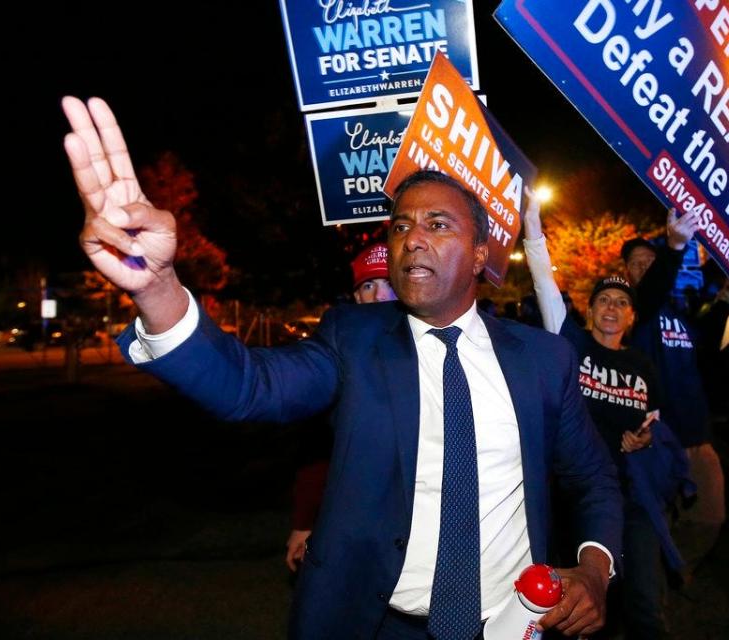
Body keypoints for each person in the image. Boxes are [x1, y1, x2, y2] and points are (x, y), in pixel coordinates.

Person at [61, 96, 623, 640]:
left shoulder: (545, 361)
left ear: (480, 254)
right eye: (401, 226)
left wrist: (595, 570)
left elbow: (592, 478)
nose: (412, 241)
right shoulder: (351, 340)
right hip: (373, 624)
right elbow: (247, 386)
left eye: (438, 225)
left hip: (511, 624)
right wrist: (157, 286)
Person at [524, 194, 693, 640]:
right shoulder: (570, 345)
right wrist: (532, 227)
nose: (612, 307)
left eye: (622, 301)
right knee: (566, 605)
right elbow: (543, 282)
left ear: (632, 315)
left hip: (629, 498)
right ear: (590, 308)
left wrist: (644, 439)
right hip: (571, 494)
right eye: (604, 299)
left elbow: (652, 424)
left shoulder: (643, 366)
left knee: (641, 606)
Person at [621, 223, 725, 586]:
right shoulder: (636, 315)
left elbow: (710, 344)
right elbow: (651, 291)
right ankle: (651, 594)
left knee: (711, 515)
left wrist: (728, 287)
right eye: (637, 263)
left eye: (650, 260)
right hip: (658, 441)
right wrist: (674, 247)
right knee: (652, 521)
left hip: (696, 433)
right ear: (627, 273)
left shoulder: (679, 314)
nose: (645, 266)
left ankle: (677, 567)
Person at [286, 242, 397, 571]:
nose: (379, 296)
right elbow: (317, 446)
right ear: (356, 297)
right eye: (368, 285)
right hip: (354, 520)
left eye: (390, 282)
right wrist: (305, 521)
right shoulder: (336, 358)